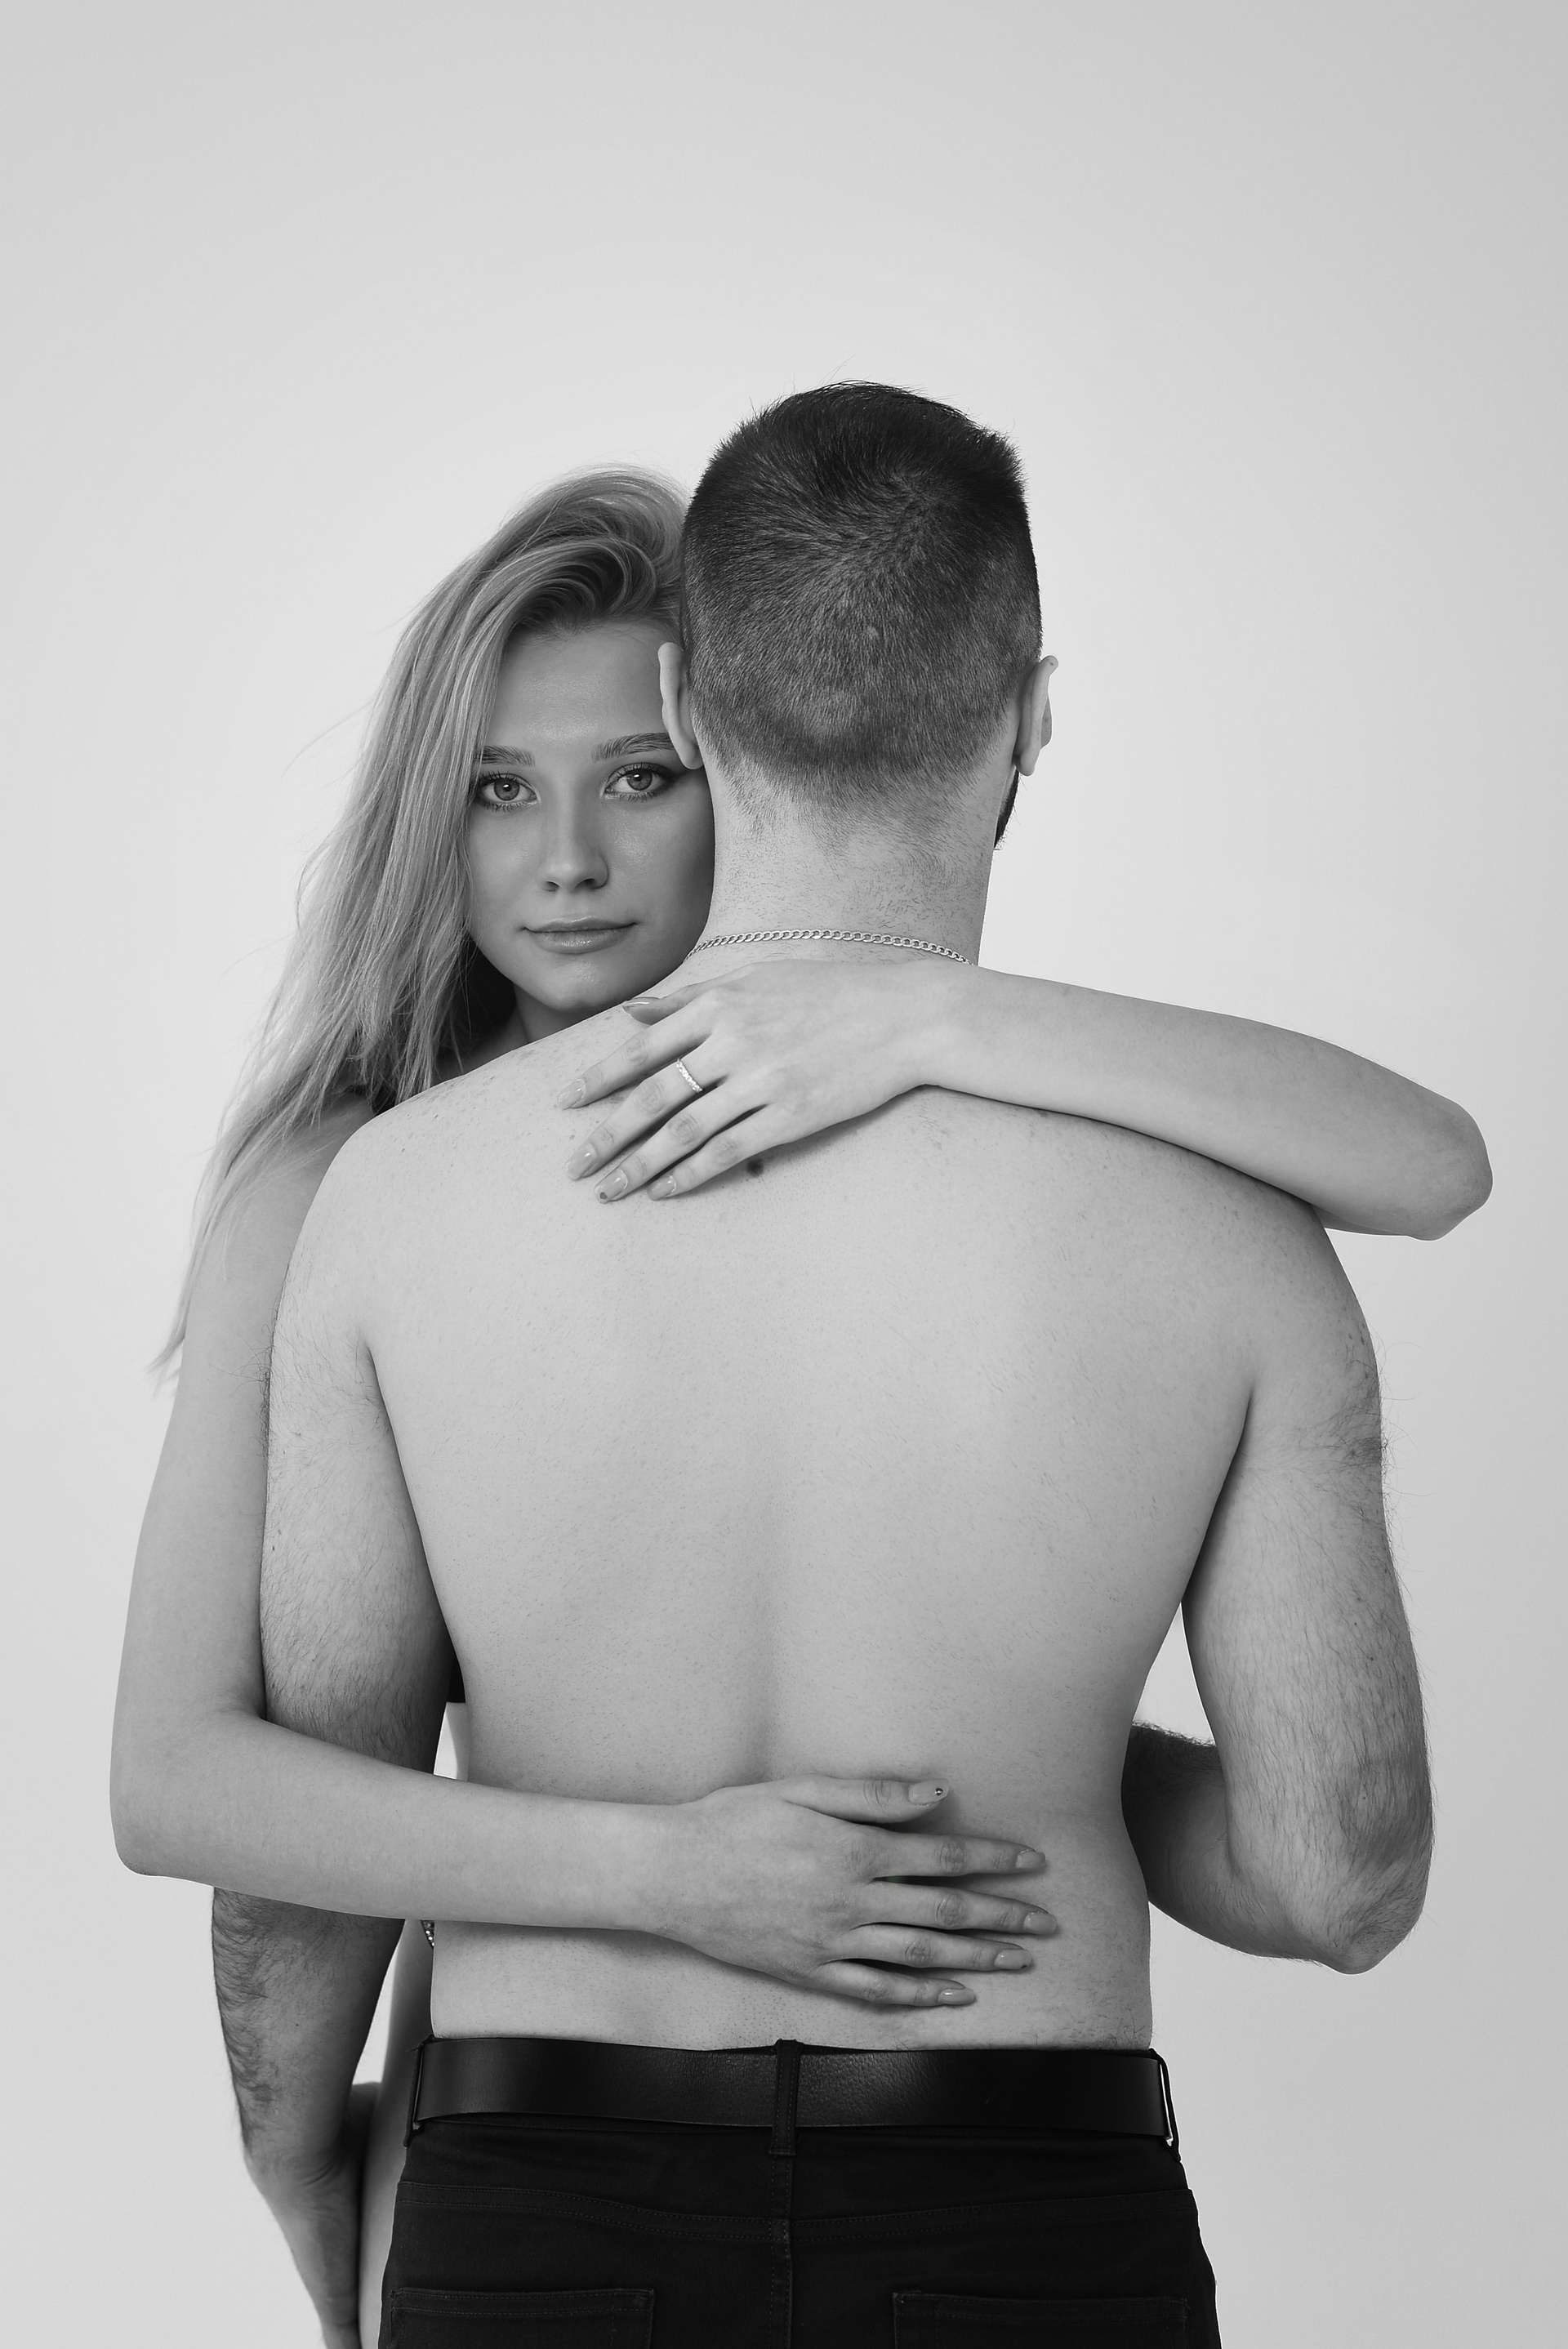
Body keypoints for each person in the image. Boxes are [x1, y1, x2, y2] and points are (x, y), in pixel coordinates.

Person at [207, 385, 1439, 2348]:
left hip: (538, 2213)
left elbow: (312, 1847)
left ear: (688, 703)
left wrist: (301, 2163)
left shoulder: (399, 1204)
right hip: (1025, 2216)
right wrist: (1022, 1752)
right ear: (1031, 714)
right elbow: (1339, 1878)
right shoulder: (1239, 1243)